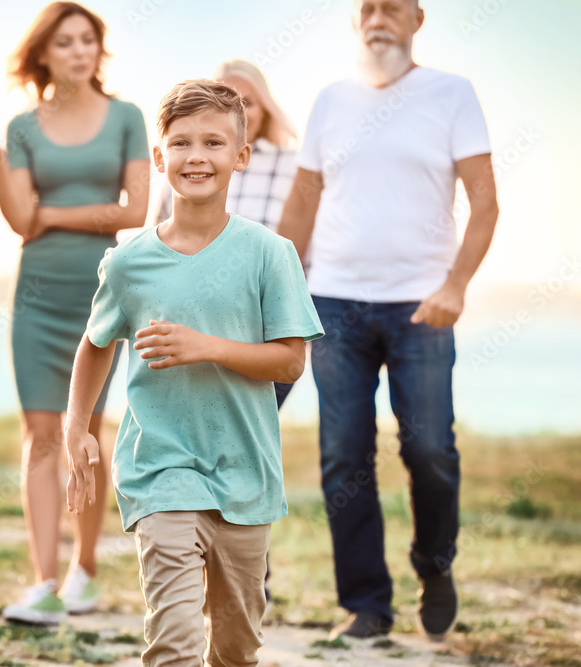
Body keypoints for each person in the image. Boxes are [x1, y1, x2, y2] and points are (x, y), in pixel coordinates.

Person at [65, 79, 323, 666]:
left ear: (241, 156)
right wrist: (77, 427)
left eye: (213, 142)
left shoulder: (270, 253)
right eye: (180, 144)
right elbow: (96, 342)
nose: (196, 157)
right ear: (160, 158)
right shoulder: (128, 262)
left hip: (244, 475)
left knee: (235, 650)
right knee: (175, 642)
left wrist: (208, 346)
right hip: (160, 469)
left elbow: (289, 359)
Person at [278, 0, 499, 642]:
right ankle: (367, 605)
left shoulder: (451, 94)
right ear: (355, 22)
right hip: (333, 304)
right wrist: (282, 291)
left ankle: (435, 567)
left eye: (392, 7)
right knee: (343, 456)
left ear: (417, 20)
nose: (378, 16)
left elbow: (485, 202)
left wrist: (456, 285)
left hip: (421, 306)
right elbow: (302, 202)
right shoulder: (329, 100)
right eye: (367, 7)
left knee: (429, 448)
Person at [0, 1, 150, 625]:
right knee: (40, 435)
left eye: (87, 40)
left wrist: (55, 215)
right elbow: (19, 219)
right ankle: (42, 579)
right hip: (36, 292)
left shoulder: (127, 117)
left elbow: (135, 212)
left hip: (101, 289)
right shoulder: (21, 128)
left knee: (86, 433)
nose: (78, 51)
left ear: (99, 49)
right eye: (64, 42)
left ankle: (84, 570)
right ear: (44, 54)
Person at [158, 58, 300, 408]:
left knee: (248, 416)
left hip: (260, 314)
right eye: (227, 99)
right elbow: (158, 230)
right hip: (192, 309)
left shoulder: (292, 164)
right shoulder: (187, 166)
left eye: (247, 103)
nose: (237, 110)